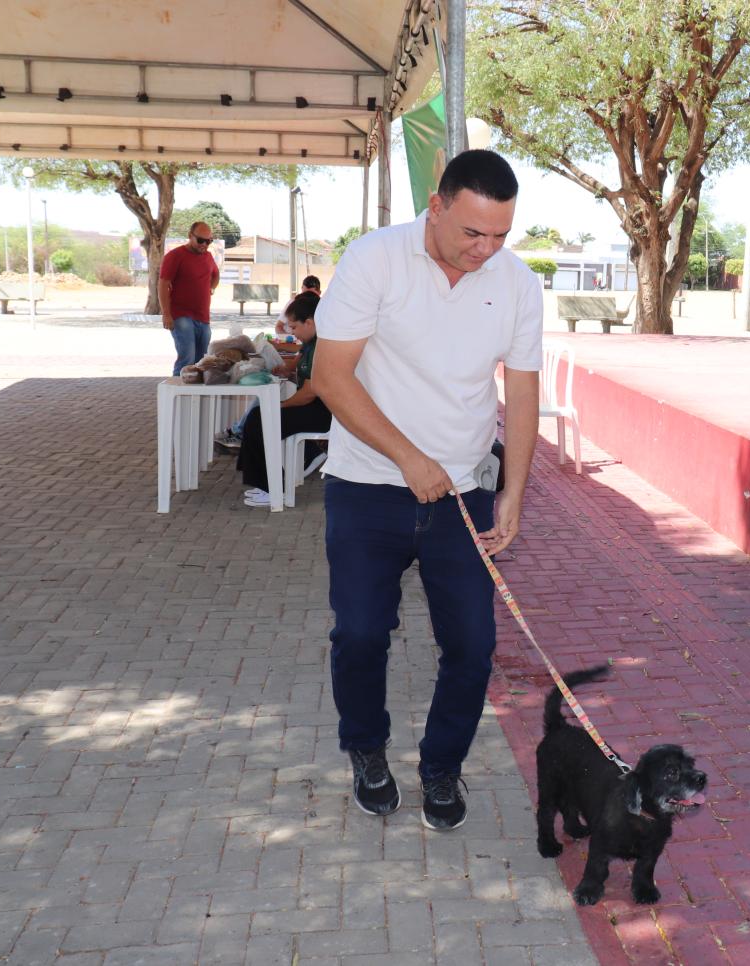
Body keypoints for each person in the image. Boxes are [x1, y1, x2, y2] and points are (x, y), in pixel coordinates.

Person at [311, 150, 543, 830]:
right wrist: (408, 457)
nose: (486, 249)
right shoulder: (374, 259)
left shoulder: (517, 282)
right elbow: (331, 376)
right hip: (366, 486)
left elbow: (522, 391)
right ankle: (366, 750)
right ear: (436, 206)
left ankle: (442, 766)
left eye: (500, 235)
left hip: (463, 495)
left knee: (472, 646)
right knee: (360, 634)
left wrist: (514, 491)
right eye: (473, 232)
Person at [236, 292, 331, 507]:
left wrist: (279, 406)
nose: (292, 332)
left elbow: (308, 393)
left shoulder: (321, 345)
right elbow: (298, 367)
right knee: (258, 417)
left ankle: (272, 489)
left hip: (324, 412)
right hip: (316, 407)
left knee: (260, 420)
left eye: (294, 327)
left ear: (309, 322)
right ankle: (267, 482)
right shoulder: (311, 342)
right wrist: (286, 372)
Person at [161, 222, 220, 375]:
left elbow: (216, 274)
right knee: (187, 359)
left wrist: (211, 288)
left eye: (208, 241)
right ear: (190, 236)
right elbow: (163, 284)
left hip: (203, 318)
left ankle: (195, 390)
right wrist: (166, 314)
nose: (204, 244)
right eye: (200, 240)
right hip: (181, 316)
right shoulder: (175, 256)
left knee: (202, 363)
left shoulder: (208, 256)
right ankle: (177, 388)